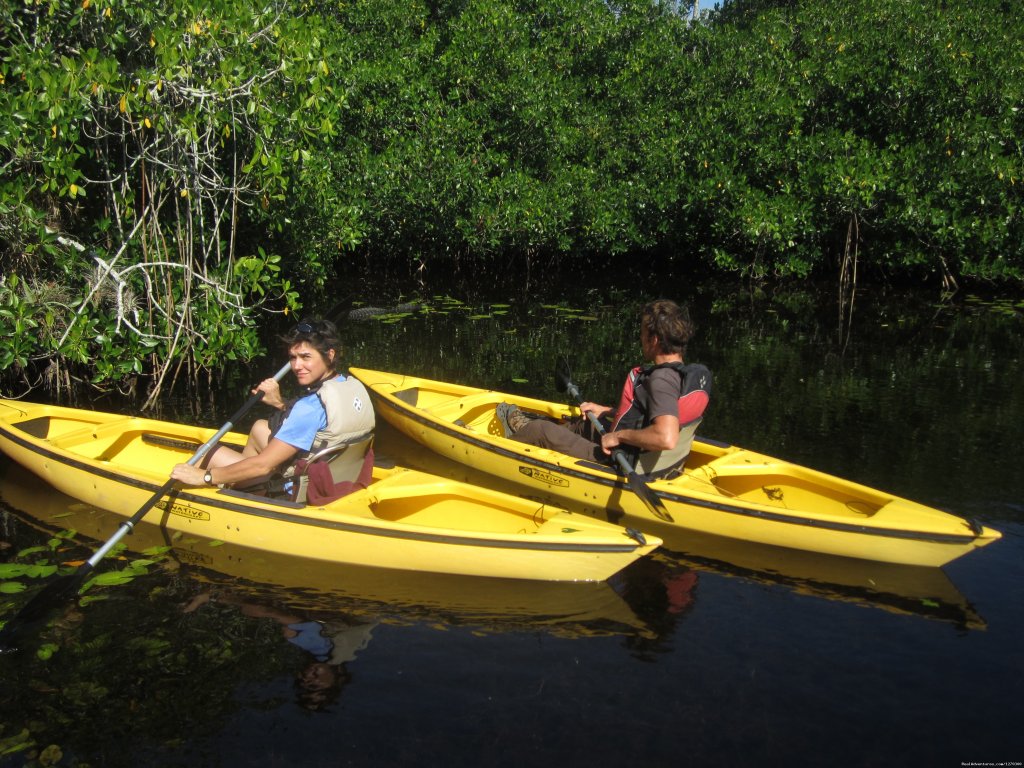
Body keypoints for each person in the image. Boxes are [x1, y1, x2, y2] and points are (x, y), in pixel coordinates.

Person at [497, 299, 711, 480]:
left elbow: (666, 437)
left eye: (643, 333)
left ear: (654, 340)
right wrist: (608, 411)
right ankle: (524, 430)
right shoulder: (682, 375)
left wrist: (618, 436)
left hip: (621, 461)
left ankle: (500, 449)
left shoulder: (660, 381)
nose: (640, 338)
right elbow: (650, 413)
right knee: (584, 423)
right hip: (650, 459)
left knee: (541, 430)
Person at [170, 318, 374, 492]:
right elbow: (321, 425)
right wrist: (280, 403)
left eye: (306, 357)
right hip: (338, 478)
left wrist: (204, 476)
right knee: (260, 426)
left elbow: (264, 466)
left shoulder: (310, 407)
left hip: (297, 489)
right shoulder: (350, 385)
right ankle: (241, 487)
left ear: (330, 355)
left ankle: (232, 490)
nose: (297, 366)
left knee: (208, 453)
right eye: (293, 358)